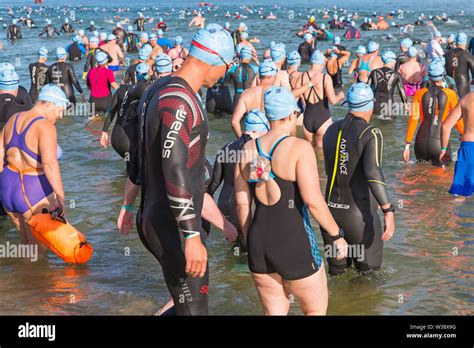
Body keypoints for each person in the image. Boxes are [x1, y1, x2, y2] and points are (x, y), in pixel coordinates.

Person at [123, 23, 235, 316]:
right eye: (226, 65)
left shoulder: (157, 88)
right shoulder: (180, 100)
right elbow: (175, 169)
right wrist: (191, 234)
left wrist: (128, 203)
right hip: (172, 224)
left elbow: (137, 152)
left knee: (184, 302)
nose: (226, 73)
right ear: (212, 59)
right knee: (195, 309)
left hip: (154, 214)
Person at [234, 86, 348, 315]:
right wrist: (336, 235)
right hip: (294, 243)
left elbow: (242, 204)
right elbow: (313, 201)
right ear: (289, 115)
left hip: (259, 244)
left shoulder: (246, 149)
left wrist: (249, 239)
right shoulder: (299, 148)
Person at [322, 83, 395, 275]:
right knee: (368, 278)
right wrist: (388, 209)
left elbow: (332, 171)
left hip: (329, 214)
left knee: (337, 276)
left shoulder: (330, 130)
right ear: (370, 105)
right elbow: (373, 173)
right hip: (359, 217)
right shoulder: (372, 133)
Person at [0, 84, 68, 245]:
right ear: (48, 103)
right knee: (40, 247)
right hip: (31, 191)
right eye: (60, 111)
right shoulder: (45, 126)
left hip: (7, 189)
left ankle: (23, 270)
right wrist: (61, 197)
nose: (60, 117)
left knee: (26, 243)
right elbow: (50, 163)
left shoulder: (13, 119)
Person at [208, 110, 269, 253]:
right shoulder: (255, 151)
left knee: (235, 251)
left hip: (224, 208)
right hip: (243, 208)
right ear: (260, 131)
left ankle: (231, 274)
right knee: (250, 252)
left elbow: (212, 185)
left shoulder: (227, 147)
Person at [404, 61, 462, 167]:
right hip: (439, 143)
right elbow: (457, 119)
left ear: (429, 77)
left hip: (420, 142)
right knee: (441, 179)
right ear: (443, 76)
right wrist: (463, 134)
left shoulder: (419, 93)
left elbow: (413, 119)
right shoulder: (450, 94)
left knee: (420, 175)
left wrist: (407, 145)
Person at [101, 63, 150, 171]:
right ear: (148, 75)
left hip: (116, 139)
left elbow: (111, 111)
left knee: (129, 168)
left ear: (135, 75)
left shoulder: (121, 89)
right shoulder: (146, 91)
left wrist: (104, 132)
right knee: (136, 173)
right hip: (129, 139)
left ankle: (122, 184)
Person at [297, 50, 344, 148]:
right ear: (322, 63)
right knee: (321, 153)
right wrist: (340, 96)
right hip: (323, 119)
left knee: (309, 151)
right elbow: (333, 100)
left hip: (307, 120)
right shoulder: (325, 78)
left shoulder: (302, 77)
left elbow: (295, 95)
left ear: (311, 62)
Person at [440, 92, 474, 197]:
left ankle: (452, 213)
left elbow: (445, 126)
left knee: (460, 194)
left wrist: (444, 150)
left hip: (468, 149)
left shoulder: (467, 98)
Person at [232, 61, 277, 138]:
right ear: (273, 76)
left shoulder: (246, 93)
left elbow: (234, 122)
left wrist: (242, 139)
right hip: (269, 138)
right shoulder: (276, 94)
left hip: (252, 137)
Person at [367, 50, 407, 117]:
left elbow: (367, 88)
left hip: (375, 106)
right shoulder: (396, 74)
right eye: (395, 60)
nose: (395, 62)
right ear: (391, 60)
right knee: (390, 126)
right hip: (389, 108)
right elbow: (402, 91)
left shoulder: (374, 72)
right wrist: (405, 105)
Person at [223, 45, 258, 111]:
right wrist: (257, 61)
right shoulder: (255, 69)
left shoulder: (233, 69)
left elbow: (224, 84)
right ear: (250, 56)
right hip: (250, 98)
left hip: (237, 98)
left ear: (240, 56)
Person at [87, 51, 119, 117]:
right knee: (106, 120)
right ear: (106, 61)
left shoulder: (90, 71)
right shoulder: (108, 72)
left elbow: (88, 85)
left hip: (93, 100)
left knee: (90, 122)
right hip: (105, 100)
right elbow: (114, 85)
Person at [443, 33, 474, 98]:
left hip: (449, 85)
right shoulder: (467, 55)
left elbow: (438, 69)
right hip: (463, 86)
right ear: (465, 43)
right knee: (462, 105)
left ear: (456, 42)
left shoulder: (446, 55)